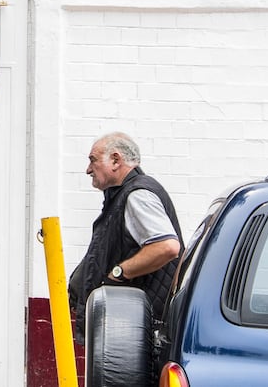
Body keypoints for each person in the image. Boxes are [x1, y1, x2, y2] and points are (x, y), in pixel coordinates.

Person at [67, 131, 182, 345]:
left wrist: (118, 274)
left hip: (133, 328)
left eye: (93, 160)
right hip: (129, 323)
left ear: (116, 160)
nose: (88, 170)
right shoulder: (122, 196)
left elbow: (166, 247)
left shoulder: (138, 194)